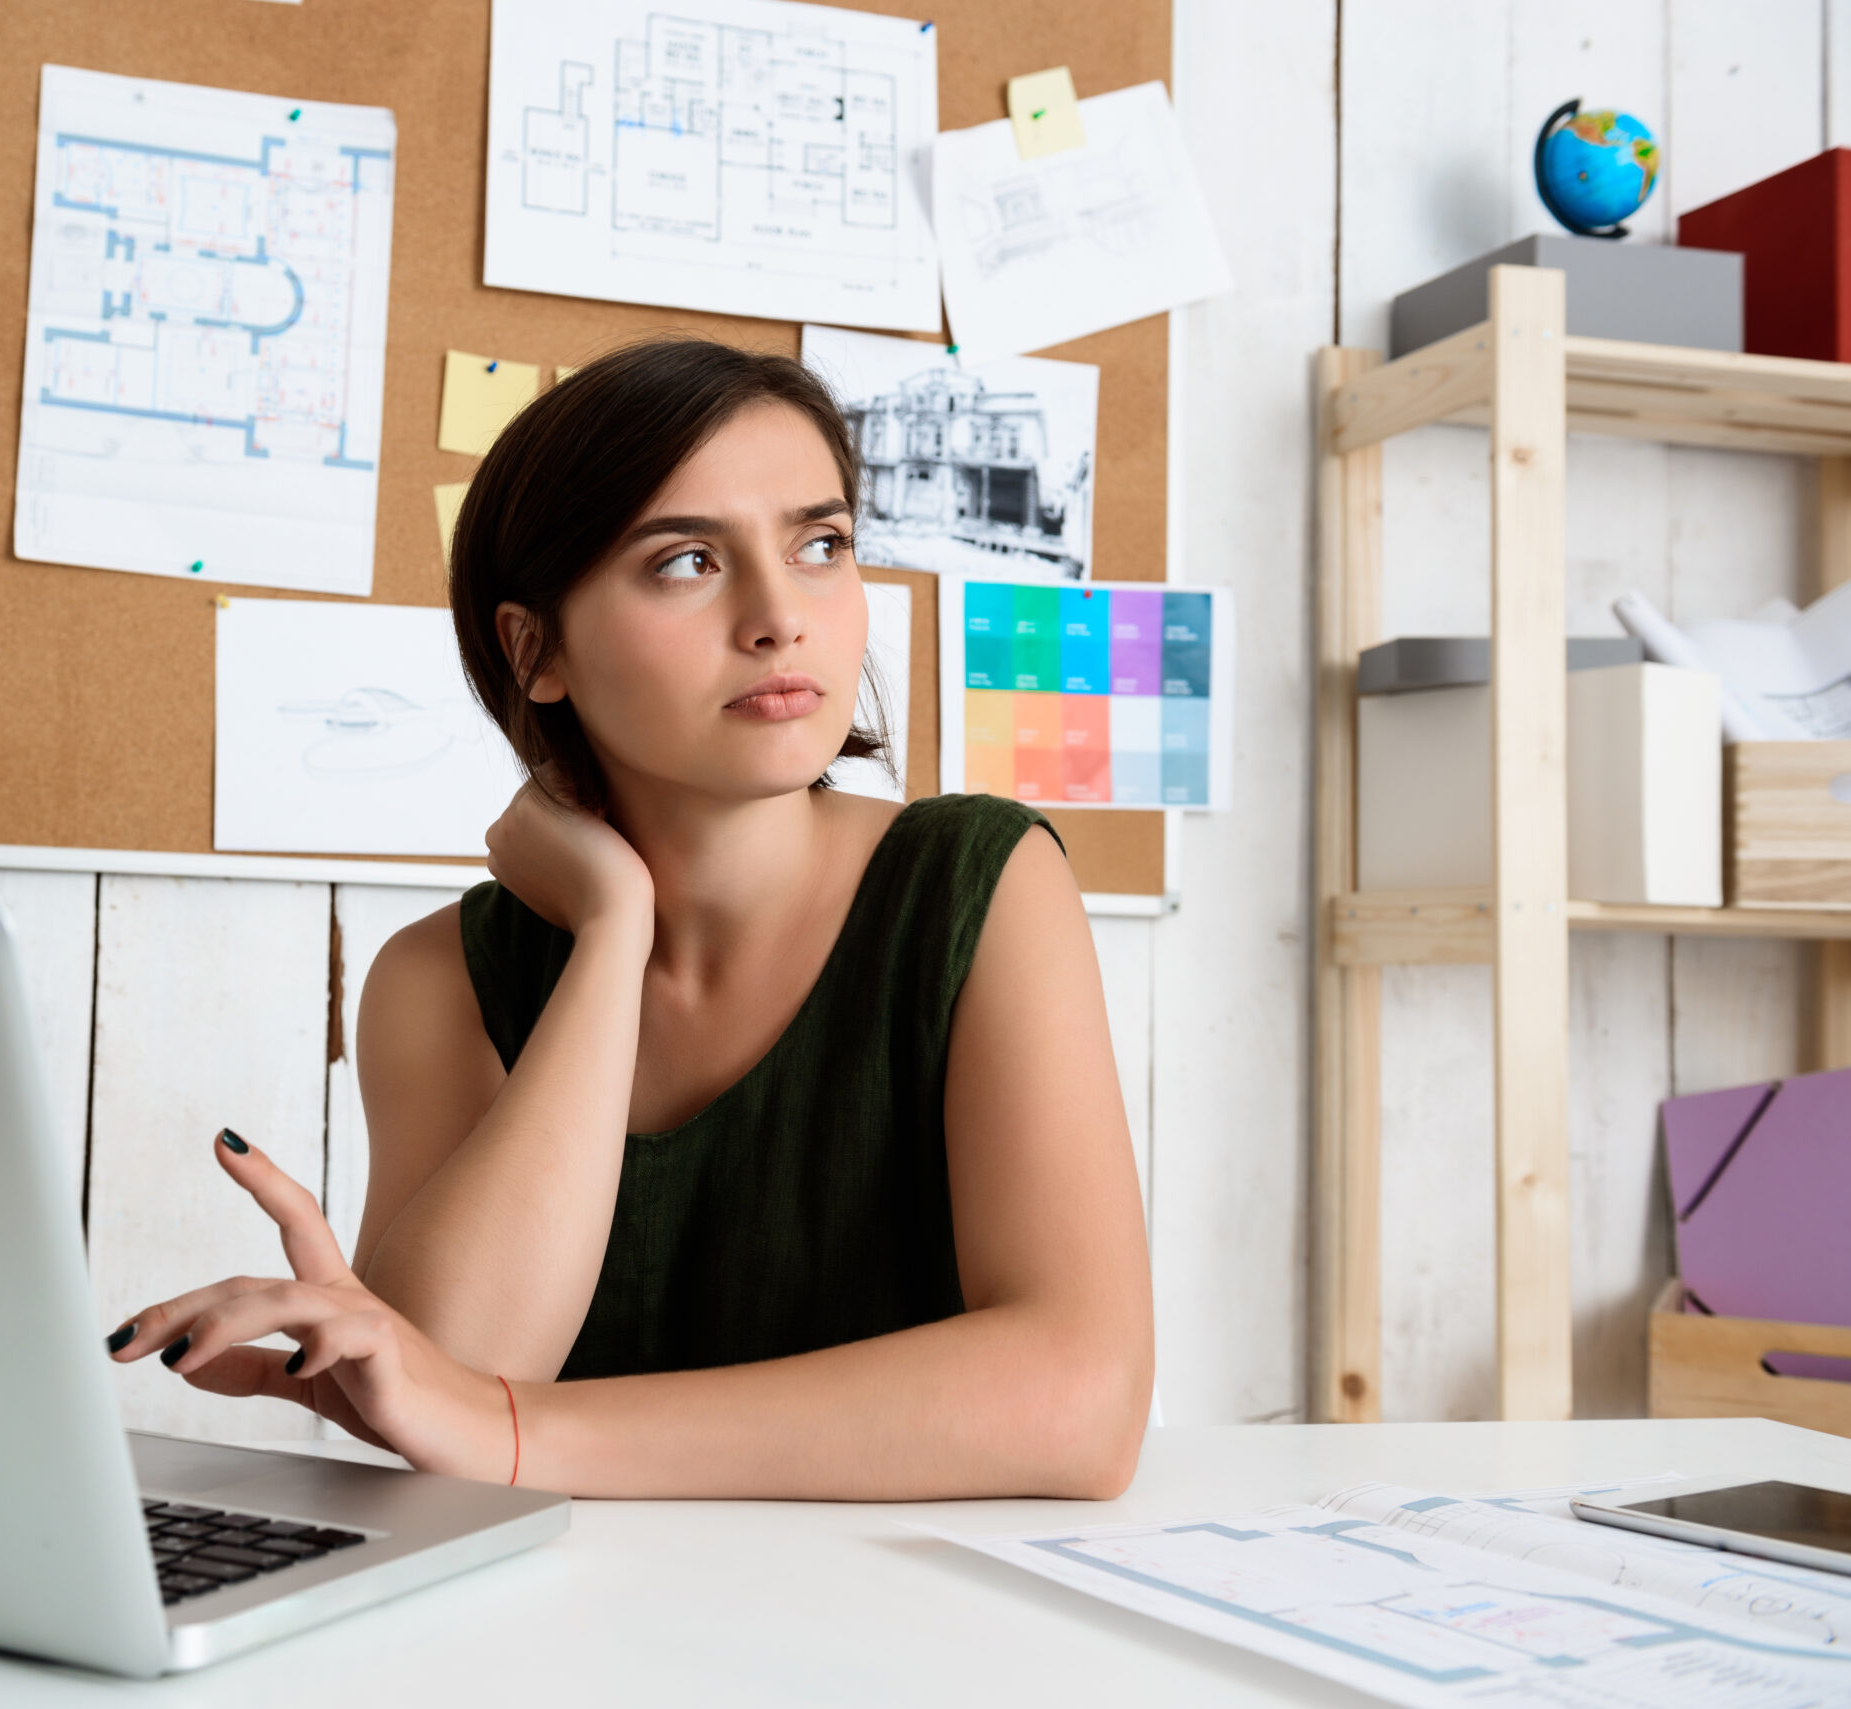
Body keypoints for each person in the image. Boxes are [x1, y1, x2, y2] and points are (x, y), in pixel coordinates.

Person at [107, 338, 1153, 1500]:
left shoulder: (982, 884)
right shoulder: (440, 976)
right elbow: (444, 1373)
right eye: (688, 561)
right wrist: (613, 929)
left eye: (820, 544)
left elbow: (1082, 1397)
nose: (777, 617)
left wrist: (520, 1433)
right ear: (533, 647)